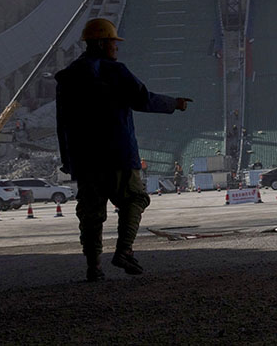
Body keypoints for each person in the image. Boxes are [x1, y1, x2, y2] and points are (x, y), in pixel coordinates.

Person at [56, 18, 193, 282]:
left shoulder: (69, 77)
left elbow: (62, 122)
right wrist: (174, 103)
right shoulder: (114, 71)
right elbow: (142, 98)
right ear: (99, 43)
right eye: (112, 42)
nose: (116, 48)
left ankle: (93, 267)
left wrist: (68, 159)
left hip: (84, 158)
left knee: (91, 214)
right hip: (118, 153)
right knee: (135, 199)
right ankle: (124, 251)